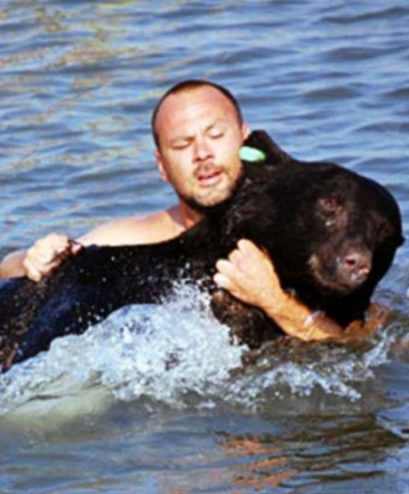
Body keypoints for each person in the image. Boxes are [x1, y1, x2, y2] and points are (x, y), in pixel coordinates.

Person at [0, 79, 361, 340]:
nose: (202, 153)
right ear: (161, 166)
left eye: (215, 136)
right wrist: (30, 258)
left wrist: (275, 301)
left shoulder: (298, 235)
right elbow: (10, 274)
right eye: (182, 144)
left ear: (245, 139)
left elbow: (365, 343)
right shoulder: (131, 240)